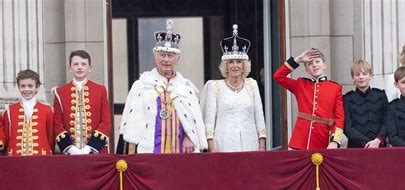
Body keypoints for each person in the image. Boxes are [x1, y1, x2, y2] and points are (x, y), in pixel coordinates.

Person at [118, 19, 207, 154]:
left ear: (177, 59)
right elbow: (129, 124)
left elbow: (194, 122)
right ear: (155, 57)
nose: (166, 59)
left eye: (170, 56)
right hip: (149, 153)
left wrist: (190, 136)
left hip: (181, 154)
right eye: (162, 55)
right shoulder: (141, 86)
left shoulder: (186, 88)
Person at [200, 24, 266, 152]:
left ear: (244, 65)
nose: (235, 66)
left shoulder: (252, 85)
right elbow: (209, 123)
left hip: (250, 145)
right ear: (225, 66)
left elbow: (259, 117)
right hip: (223, 146)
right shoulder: (215, 87)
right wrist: (212, 149)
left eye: (239, 62)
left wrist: (261, 146)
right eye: (231, 62)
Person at [273, 48, 344, 149]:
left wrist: (335, 141)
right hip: (301, 140)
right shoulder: (300, 84)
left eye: (317, 61)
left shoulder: (335, 88)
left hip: (323, 139)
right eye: (310, 63)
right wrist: (298, 59)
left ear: (324, 65)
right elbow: (278, 76)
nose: (314, 65)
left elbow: (339, 118)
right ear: (306, 70)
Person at [53, 50, 111, 155]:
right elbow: (57, 124)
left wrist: (91, 147)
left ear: (90, 68)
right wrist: (69, 148)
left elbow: (106, 122)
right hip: (70, 154)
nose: (79, 67)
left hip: (95, 152)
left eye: (83, 64)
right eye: (75, 64)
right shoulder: (59, 92)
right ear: (70, 68)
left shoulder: (100, 90)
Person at [2, 69, 54, 155]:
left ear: (37, 87)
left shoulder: (47, 110)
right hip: (15, 158)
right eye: (23, 86)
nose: (26, 89)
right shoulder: (9, 110)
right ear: (18, 87)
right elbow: (8, 136)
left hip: (41, 158)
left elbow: (50, 137)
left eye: (30, 86)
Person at [343, 60, 388, 148]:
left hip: (379, 146)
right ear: (353, 78)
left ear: (370, 76)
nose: (361, 77)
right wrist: (366, 143)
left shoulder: (381, 95)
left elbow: (387, 121)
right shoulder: (347, 99)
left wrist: (378, 140)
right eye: (357, 74)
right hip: (356, 148)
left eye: (364, 74)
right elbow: (347, 128)